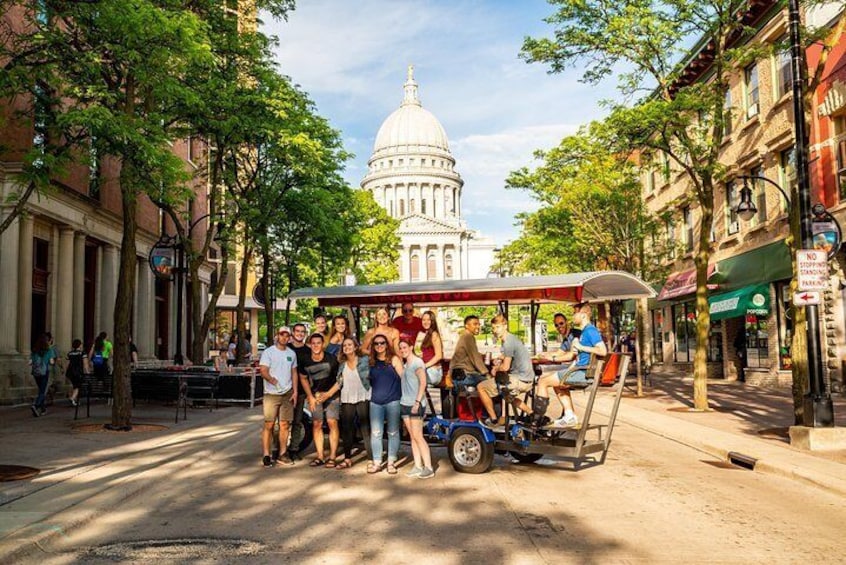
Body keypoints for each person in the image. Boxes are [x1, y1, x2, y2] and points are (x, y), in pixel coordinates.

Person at [320, 337, 372, 469]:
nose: (347, 347)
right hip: (347, 398)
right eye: (344, 346)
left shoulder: (365, 361)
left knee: (365, 428)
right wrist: (327, 394)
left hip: (363, 396)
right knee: (347, 430)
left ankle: (371, 459)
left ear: (355, 347)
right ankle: (347, 458)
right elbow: (339, 383)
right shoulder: (342, 364)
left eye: (350, 345)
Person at [552, 304, 607, 427]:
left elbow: (603, 351)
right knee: (556, 384)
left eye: (574, 313)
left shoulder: (590, 330)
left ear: (583, 315)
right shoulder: (584, 332)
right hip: (580, 370)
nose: (572, 316)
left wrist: (581, 347)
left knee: (543, 381)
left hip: (583, 373)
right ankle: (569, 416)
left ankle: (537, 420)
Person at [476, 314, 533, 427]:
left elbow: (506, 367)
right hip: (528, 380)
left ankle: (493, 419)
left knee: (481, 387)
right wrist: (499, 358)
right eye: (493, 328)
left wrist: (496, 368)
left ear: (505, 326)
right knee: (506, 394)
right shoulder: (511, 339)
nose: (495, 330)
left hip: (519, 380)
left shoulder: (508, 342)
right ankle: (531, 413)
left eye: (498, 327)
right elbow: (508, 354)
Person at [259, 326, 299, 468]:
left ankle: (283, 453)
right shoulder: (268, 352)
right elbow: (263, 370)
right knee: (269, 424)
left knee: (284, 424)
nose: (285, 337)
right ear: (277, 335)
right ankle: (266, 454)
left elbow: (294, 372)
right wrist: (272, 380)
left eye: (287, 335)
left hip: (287, 392)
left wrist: (295, 391)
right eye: (282, 335)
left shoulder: (291, 354)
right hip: (271, 393)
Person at [299, 332, 341, 468]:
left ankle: (333, 457)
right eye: (313, 343)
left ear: (323, 345)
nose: (316, 345)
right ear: (310, 345)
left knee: (332, 422)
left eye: (319, 343)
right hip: (316, 396)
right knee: (317, 423)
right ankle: (320, 456)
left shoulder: (331, 359)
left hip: (332, 394)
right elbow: (303, 378)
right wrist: (310, 396)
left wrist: (328, 394)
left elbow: (340, 380)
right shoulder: (305, 360)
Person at [367, 335, 404, 475]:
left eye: (382, 343)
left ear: (387, 345)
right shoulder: (371, 362)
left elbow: (404, 378)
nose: (379, 346)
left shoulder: (394, 360)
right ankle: (377, 462)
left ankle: (391, 462)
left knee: (393, 432)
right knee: (376, 433)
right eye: (376, 343)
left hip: (393, 400)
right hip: (376, 401)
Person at [398, 341, 434, 479]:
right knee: (412, 436)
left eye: (405, 347)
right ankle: (418, 465)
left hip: (415, 404)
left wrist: (417, 402)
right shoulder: (406, 365)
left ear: (411, 347)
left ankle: (428, 466)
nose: (403, 350)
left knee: (418, 435)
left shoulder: (417, 363)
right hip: (405, 403)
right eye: (400, 348)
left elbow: (423, 383)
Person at [286, 323, 310, 461]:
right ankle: (280, 448)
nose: (300, 333)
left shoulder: (308, 350)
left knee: (297, 421)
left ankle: (294, 449)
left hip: (300, 391)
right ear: (293, 333)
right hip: (285, 391)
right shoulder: (287, 349)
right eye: (298, 331)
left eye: (302, 331)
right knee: (283, 422)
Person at [449, 315, 493, 388]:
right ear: (466, 326)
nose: (478, 327)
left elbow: (472, 353)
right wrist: (486, 373)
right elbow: (475, 357)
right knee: (492, 384)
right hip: (464, 375)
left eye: (479, 324)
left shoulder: (464, 336)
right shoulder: (468, 336)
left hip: (457, 375)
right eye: (475, 324)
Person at [29, 333, 55, 417]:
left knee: (40, 389)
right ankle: (36, 405)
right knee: (42, 391)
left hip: (36, 372)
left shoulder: (34, 350)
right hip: (44, 372)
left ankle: (43, 409)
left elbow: (30, 362)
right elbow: (51, 362)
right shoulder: (49, 350)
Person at [420, 310, 444, 386]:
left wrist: (424, 366)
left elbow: (439, 356)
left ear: (432, 321)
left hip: (433, 371)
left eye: (428, 320)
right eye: (423, 320)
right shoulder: (424, 334)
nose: (425, 322)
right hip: (427, 370)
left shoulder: (434, 334)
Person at [65, 338, 86, 407]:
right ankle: (72, 398)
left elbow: (67, 363)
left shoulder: (69, 353)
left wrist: (65, 371)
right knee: (77, 386)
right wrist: (87, 371)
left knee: (74, 385)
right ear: (80, 345)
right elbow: (85, 364)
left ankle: (74, 400)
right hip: (78, 372)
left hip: (70, 372)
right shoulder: (82, 353)